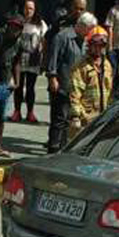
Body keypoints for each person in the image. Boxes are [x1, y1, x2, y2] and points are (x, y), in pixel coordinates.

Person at [46, 11, 97, 153]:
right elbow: (53, 59)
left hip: (77, 88)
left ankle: (63, 149)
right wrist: (52, 77)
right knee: (59, 120)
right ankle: (53, 149)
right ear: (82, 25)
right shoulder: (63, 37)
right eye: (89, 29)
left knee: (70, 121)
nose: (90, 32)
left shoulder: (85, 41)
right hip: (62, 84)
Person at [0, 14, 23, 160]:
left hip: (7, 83)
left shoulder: (19, 41)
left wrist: (17, 82)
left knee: (1, 117)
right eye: (12, 26)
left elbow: (17, 62)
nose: (14, 30)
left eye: (17, 28)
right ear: (8, 25)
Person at [69, 26, 113, 138]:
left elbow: (109, 91)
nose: (99, 48)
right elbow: (75, 94)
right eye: (95, 45)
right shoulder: (80, 66)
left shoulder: (107, 65)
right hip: (85, 120)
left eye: (102, 45)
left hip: (102, 119)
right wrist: (75, 117)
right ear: (89, 45)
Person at [11, 0, 47, 123]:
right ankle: (17, 111)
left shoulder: (41, 24)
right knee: (18, 86)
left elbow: (44, 42)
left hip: (33, 60)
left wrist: (44, 61)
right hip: (19, 59)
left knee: (31, 87)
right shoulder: (18, 21)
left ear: (35, 9)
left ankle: (30, 112)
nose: (28, 11)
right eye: (26, 8)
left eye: (31, 8)